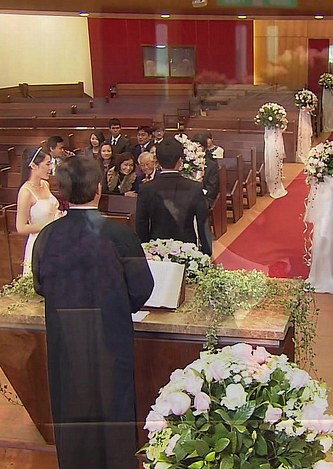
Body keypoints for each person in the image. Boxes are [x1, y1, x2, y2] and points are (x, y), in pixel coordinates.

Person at [31, 155, 154, 469]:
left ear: (62, 192)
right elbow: (142, 288)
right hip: (110, 336)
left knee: (71, 403)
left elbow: (41, 284)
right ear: (99, 188)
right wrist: (116, 307)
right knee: (115, 405)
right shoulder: (120, 235)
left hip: (65, 337)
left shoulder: (47, 236)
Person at [135, 137, 211, 255]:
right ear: (180, 160)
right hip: (187, 249)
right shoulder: (195, 187)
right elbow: (202, 222)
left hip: (157, 248)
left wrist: (146, 250)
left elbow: (141, 223)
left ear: (157, 161)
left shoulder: (146, 188)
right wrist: (206, 252)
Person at [16, 147, 60, 275]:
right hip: (39, 242)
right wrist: (48, 225)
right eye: (47, 164)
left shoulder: (45, 184)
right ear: (34, 166)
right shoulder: (25, 192)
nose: (51, 168)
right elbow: (21, 227)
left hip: (54, 239)